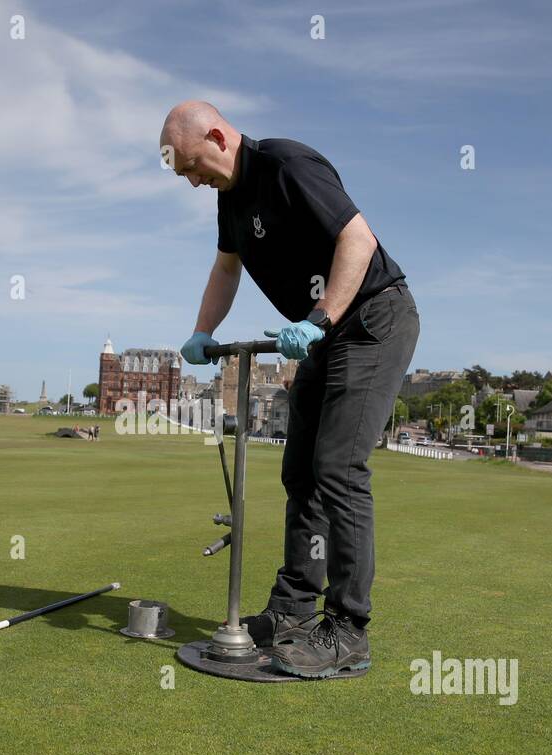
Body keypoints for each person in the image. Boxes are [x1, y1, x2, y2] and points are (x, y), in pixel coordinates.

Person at [161, 101, 420, 678]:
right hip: (326, 336)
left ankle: (347, 629)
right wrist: (204, 331)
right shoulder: (231, 201)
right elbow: (226, 268)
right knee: (299, 471)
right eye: (184, 174)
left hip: (373, 319)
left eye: (192, 166)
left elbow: (358, 239)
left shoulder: (286, 164)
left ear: (217, 136)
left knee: (339, 467)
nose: (193, 180)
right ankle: (294, 611)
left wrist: (319, 320)